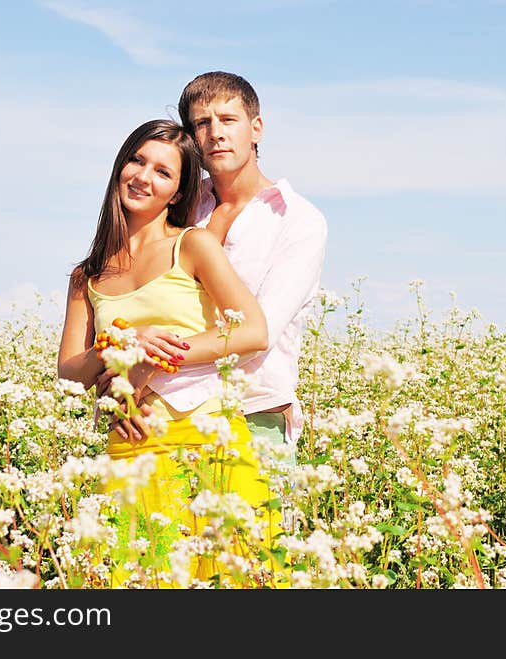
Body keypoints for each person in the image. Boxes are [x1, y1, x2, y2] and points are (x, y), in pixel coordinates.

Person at [57, 118, 286, 588]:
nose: (144, 177)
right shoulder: (87, 275)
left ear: (178, 193)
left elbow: (252, 331)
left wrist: (154, 356)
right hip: (131, 445)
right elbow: (69, 371)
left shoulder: (193, 245)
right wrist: (120, 344)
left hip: (209, 439)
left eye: (163, 172)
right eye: (137, 161)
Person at [102, 72, 328, 476]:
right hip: (162, 417)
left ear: (256, 127)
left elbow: (257, 335)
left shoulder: (298, 220)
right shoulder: (176, 204)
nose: (215, 134)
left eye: (228, 120)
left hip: (254, 415)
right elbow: (142, 303)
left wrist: (147, 364)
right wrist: (119, 388)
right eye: (202, 123)